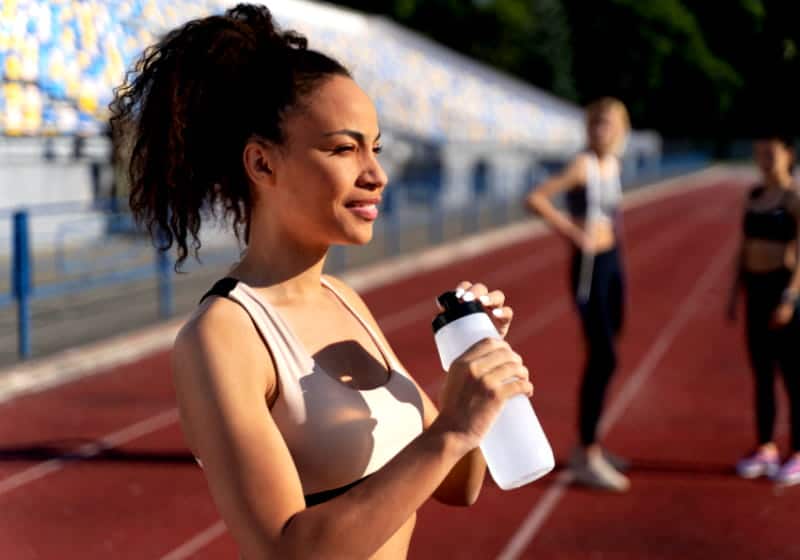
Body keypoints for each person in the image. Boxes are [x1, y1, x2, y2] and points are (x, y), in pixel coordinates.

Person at [111, 4, 534, 558]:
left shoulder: (344, 299)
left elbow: (462, 484)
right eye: (343, 148)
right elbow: (287, 550)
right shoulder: (222, 337)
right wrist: (451, 427)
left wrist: (476, 373)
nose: (376, 174)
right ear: (262, 165)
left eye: (376, 148)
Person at [525, 97, 630, 491]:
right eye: (597, 122)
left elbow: (613, 215)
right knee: (603, 357)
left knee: (609, 352)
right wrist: (573, 232)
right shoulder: (582, 164)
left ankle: (591, 444)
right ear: (588, 127)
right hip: (588, 268)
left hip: (613, 264)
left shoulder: (612, 164)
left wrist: (616, 254)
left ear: (621, 128)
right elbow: (535, 198)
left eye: (610, 123)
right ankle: (587, 453)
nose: (602, 129)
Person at [728, 133, 800, 487]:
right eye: (759, 153)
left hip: (783, 290)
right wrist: (733, 293)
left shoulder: (795, 197)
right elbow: (744, 245)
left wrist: (790, 297)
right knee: (762, 373)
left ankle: (798, 452)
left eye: (771, 153)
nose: (764, 160)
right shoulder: (754, 196)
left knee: (793, 375)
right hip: (755, 292)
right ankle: (766, 446)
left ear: (788, 154)